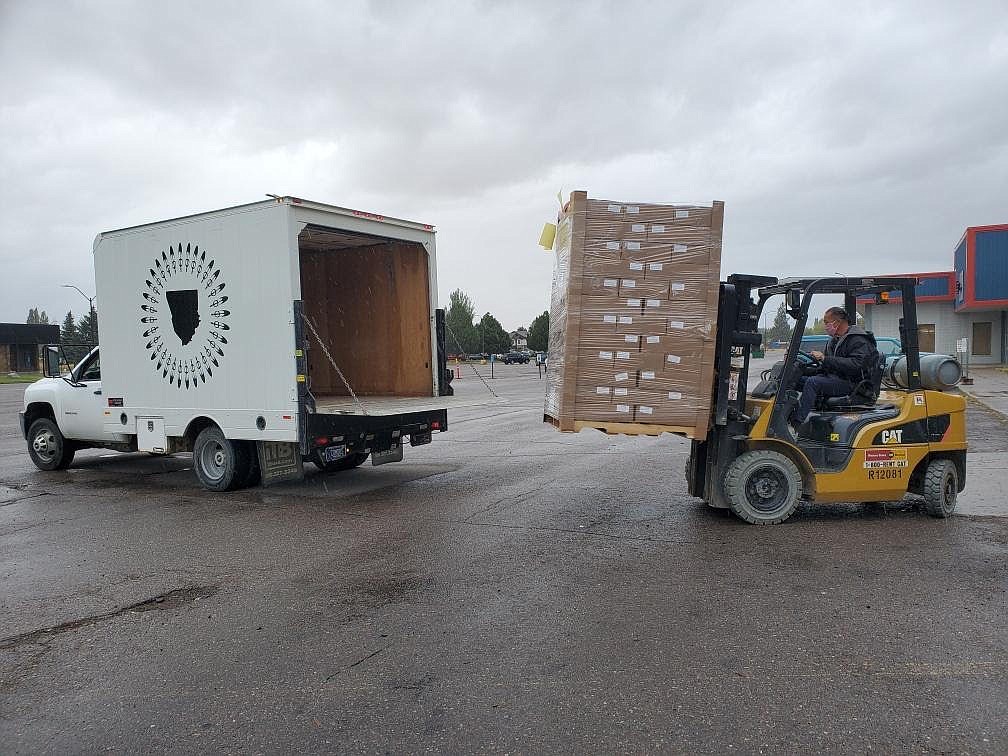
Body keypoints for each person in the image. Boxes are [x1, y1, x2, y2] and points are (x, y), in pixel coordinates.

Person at [789, 307, 875, 432]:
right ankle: (783, 416)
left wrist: (825, 359)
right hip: (835, 379)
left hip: (853, 384)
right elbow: (826, 367)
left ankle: (796, 423)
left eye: (826, 322)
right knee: (794, 379)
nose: (825, 325)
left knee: (813, 382)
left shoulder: (858, 340)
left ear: (837, 322)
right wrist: (802, 370)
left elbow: (857, 365)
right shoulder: (834, 341)